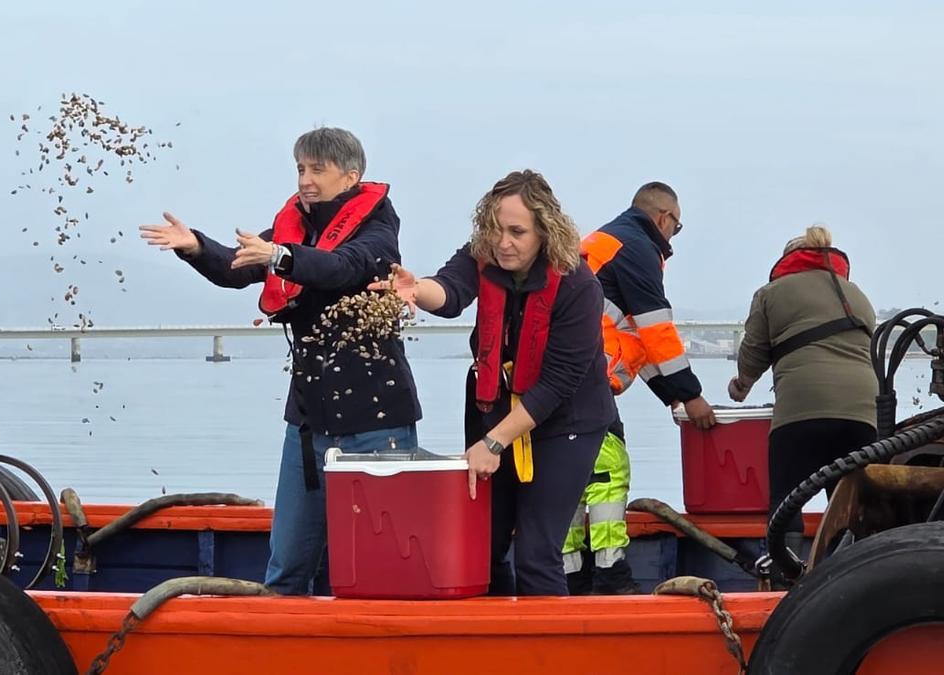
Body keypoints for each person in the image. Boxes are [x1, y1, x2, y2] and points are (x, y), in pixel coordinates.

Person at [140, 127, 422, 595]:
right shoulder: (294, 228)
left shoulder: (378, 230)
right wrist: (196, 247)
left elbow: (342, 267)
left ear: (351, 176)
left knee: (381, 567)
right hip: (308, 422)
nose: (305, 180)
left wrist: (281, 257)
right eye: (300, 169)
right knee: (286, 566)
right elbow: (237, 267)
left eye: (317, 170)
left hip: (376, 423)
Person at [372, 169, 615, 596]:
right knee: (483, 545)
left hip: (566, 422)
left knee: (536, 553)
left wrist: (493, 443)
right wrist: (416, 289)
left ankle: (549, 638)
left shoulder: (579, 285)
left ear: (544, 231)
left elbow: (557, 384)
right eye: (496, 229)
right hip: (496, 407)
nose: (503, 243)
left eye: (517, 232)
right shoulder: (483, 254)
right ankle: (493, 632)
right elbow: (450, 291)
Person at [564, 182, 717, 595]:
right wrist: (692, 395)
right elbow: (656, 329)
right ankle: (610, 576)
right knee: (609, 470)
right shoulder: (637, 248)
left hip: (565, 376)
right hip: (585, 377)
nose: (673, 238)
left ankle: (570, 578)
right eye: (676, 228)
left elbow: (636, 340)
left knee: (570, 477)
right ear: (664, 218)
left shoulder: (608, 243)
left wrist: (672, 395)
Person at [728, 224, 877, 554]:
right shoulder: (857, 295)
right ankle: (850, 566)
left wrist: (741, 385)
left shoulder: (772, 293)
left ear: (789, 261)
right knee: (849, 501)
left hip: (803, 408)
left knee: (787, 497)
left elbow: (754, 351)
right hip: (862, 412)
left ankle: (786, 573)